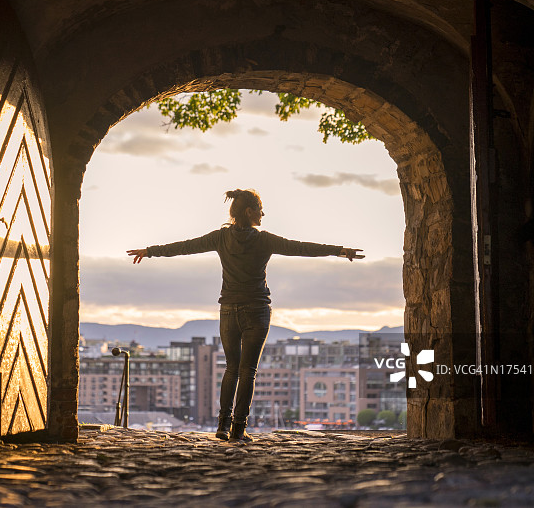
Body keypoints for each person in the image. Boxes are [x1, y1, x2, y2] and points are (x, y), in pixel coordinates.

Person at [127, 189, 363, 442]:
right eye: (260, 209)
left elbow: (185, 247)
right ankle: (238, 429)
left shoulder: (220, 238)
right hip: (257, 310)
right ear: (249, 212)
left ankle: (222, 425)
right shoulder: (264, 240)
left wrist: (150, 251)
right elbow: (302, 248)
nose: (263, 214)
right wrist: (339, 250)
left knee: (231, 369)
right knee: (247, 371)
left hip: (228, 310)